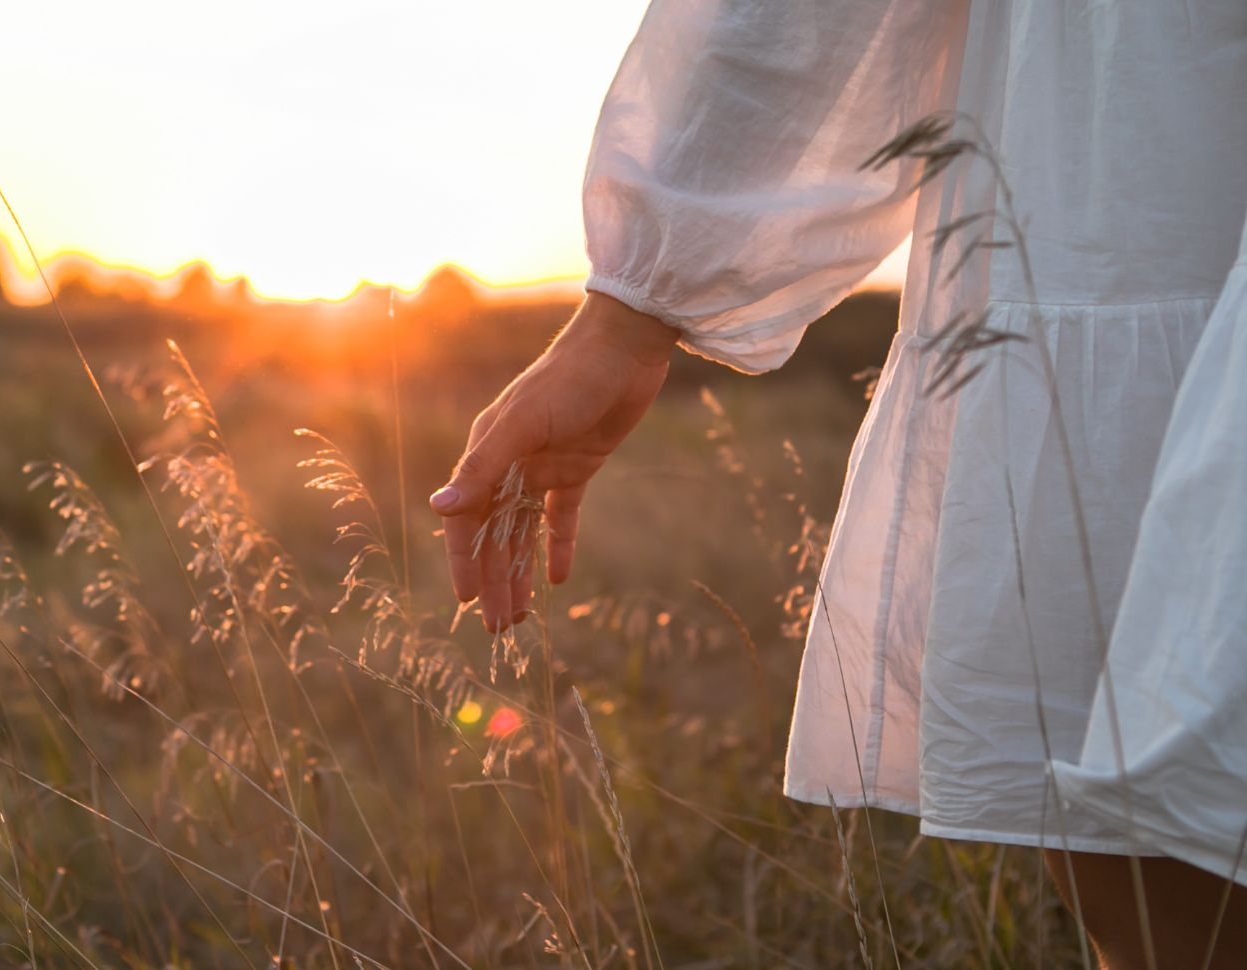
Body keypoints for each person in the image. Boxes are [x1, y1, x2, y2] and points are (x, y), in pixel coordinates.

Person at [428, 2, 1247, 966]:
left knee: (1164, 873)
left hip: (1146, 171)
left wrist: (633, 311)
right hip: (1149, 165)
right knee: (1153, 869)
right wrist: (626, 319)